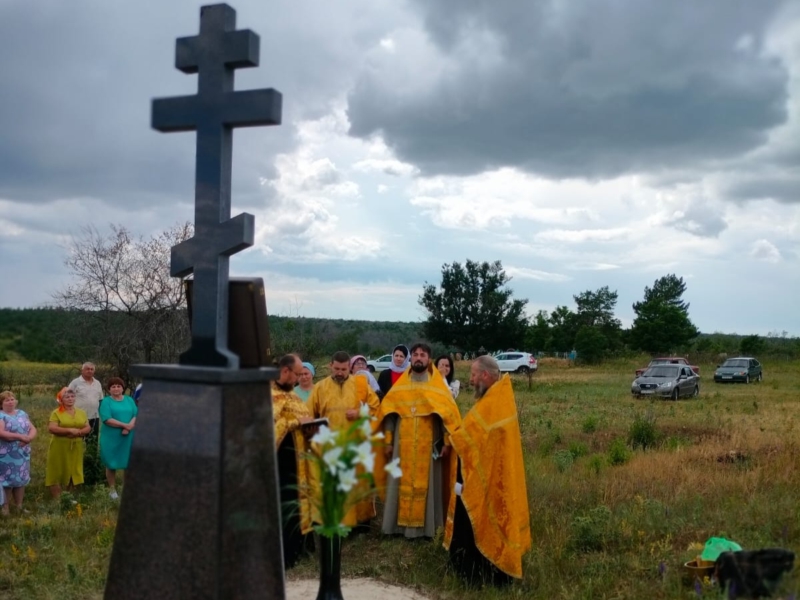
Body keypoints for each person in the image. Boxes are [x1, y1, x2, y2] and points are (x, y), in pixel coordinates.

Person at [443, 356, 531, 587]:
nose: (470, 380)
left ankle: (476, 574)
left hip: (490, 476)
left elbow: (476, 435)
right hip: (486, 470)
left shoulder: (495, 400)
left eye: (473, 374)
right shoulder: (496, 396)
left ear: (485, 375)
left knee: (477, 520)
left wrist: (452, 438)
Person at [377, 343, 462, 539]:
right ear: (411, 358)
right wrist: (389, 441)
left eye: (422, 355)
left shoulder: (437, 385)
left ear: (428, 359)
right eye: (415, 354)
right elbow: (389, 414)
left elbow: (448, 416)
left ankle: (427, 529)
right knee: (399, 482)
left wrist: (447, 443)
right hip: (402, 443)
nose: (418, 357)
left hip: (429, 442)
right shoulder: (401, 386)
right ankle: (395, 528)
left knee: (430, 484)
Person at [309, 351, 380, 528]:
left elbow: (376, 407)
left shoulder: (361, 385)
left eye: (344, 369)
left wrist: (360, 412)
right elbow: (307, 413)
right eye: (337, 368)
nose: (340, 372)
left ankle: (361, 521)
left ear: (350, 367)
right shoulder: (320, 387)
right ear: (330, 366)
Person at [272, 354, 317, 568]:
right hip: (280, 464)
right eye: (297, 374)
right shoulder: (268, 393)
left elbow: (303, 421)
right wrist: (295, 422)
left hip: (300, 462)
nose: (299, 379)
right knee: (283, 508)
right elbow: (267, 425)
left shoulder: (295, 397)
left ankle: (299, 549)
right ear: (286, 371)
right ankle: (284, 557)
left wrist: (310, 428)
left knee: (298, 506)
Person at [46, 387, 91, 499]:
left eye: (72, 396)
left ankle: (68, 497)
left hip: (76, 446)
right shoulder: (56, 413)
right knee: (57, 470)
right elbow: (52, 428)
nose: (70, 399)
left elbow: (87, 427)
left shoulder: (81, 412)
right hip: (59, 446)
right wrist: (69, 431)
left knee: (73, 470)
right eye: (67, 397)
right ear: (61, 399)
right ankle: (57, 499)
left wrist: (79, 432)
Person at [98, 377, 138, 500]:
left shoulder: (129, 400)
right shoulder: (106, 402)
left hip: (129, 436)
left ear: (122, 388)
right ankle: (112, 490)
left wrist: (130, 426)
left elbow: (136, 414)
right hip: (112, 437)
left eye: (118, 386)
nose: (116, 388)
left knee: (128, 462)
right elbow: (107, 419)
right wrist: (124, 425)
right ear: (109, 389)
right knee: (111, 463)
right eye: (113, 386)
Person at [0, 391, 37, 514]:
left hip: (22, 452)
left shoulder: (22, 413)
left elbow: (32, 428)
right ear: (1, 403)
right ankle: (5, 508)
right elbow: (2, 433)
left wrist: (29, 438)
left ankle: (19, 506)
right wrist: (20, 437)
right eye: (7, 400)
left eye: (12, 399)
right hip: (6, 454)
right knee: (7, 481)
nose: (10, 402)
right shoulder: (1, 415)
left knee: (21, 479)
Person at [68, 362, 104, 436]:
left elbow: (100, 399)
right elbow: (66, 397)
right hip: (78, 416)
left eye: (92, 369)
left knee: (92, 441)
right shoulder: (75, 382)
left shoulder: (97, 383)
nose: (90, 371)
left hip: (94, 417)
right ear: (82, 370)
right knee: (78, 438)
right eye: (87, 369)